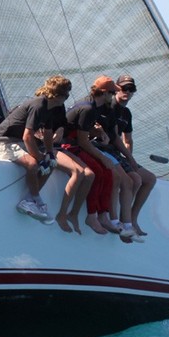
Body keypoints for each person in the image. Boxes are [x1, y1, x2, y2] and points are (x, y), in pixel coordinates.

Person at [60, 76, 133, 240]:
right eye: (113, 92)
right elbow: (82, 141)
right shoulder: (88, 108)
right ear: (104, 93)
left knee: (107, 172)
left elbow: (84, 130)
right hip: (67, 145)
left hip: (76, 143)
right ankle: (91, 215)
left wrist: (99, 132)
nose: (114, 95)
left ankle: (102, 215)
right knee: (98, 172)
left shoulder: (96, 105)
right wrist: (102, 157)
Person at [0, 75, 71, 222]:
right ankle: (37, 200)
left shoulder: (51, 108)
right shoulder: (38, 105)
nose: (68, 97)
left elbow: (47, 133)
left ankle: (28, 200)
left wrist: (49, 154)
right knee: (32, 164)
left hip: (18, 142)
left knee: (51, 164)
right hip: (3, 142)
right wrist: (40, 159)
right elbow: (28, 136)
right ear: (59, 95)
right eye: (67, 94)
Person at [110, 74, 155, 238]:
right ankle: (123, 221)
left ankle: (132, 219)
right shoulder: (110, 107)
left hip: (118, 154)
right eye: (124, 88)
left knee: (149, 178)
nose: (127, 92)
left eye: (131, 89)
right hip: (107, 151)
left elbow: (127, 140)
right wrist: (130, 160)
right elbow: (115, 138)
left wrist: (130, 159)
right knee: (133, 178)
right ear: (116, 88)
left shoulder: (126, 113)